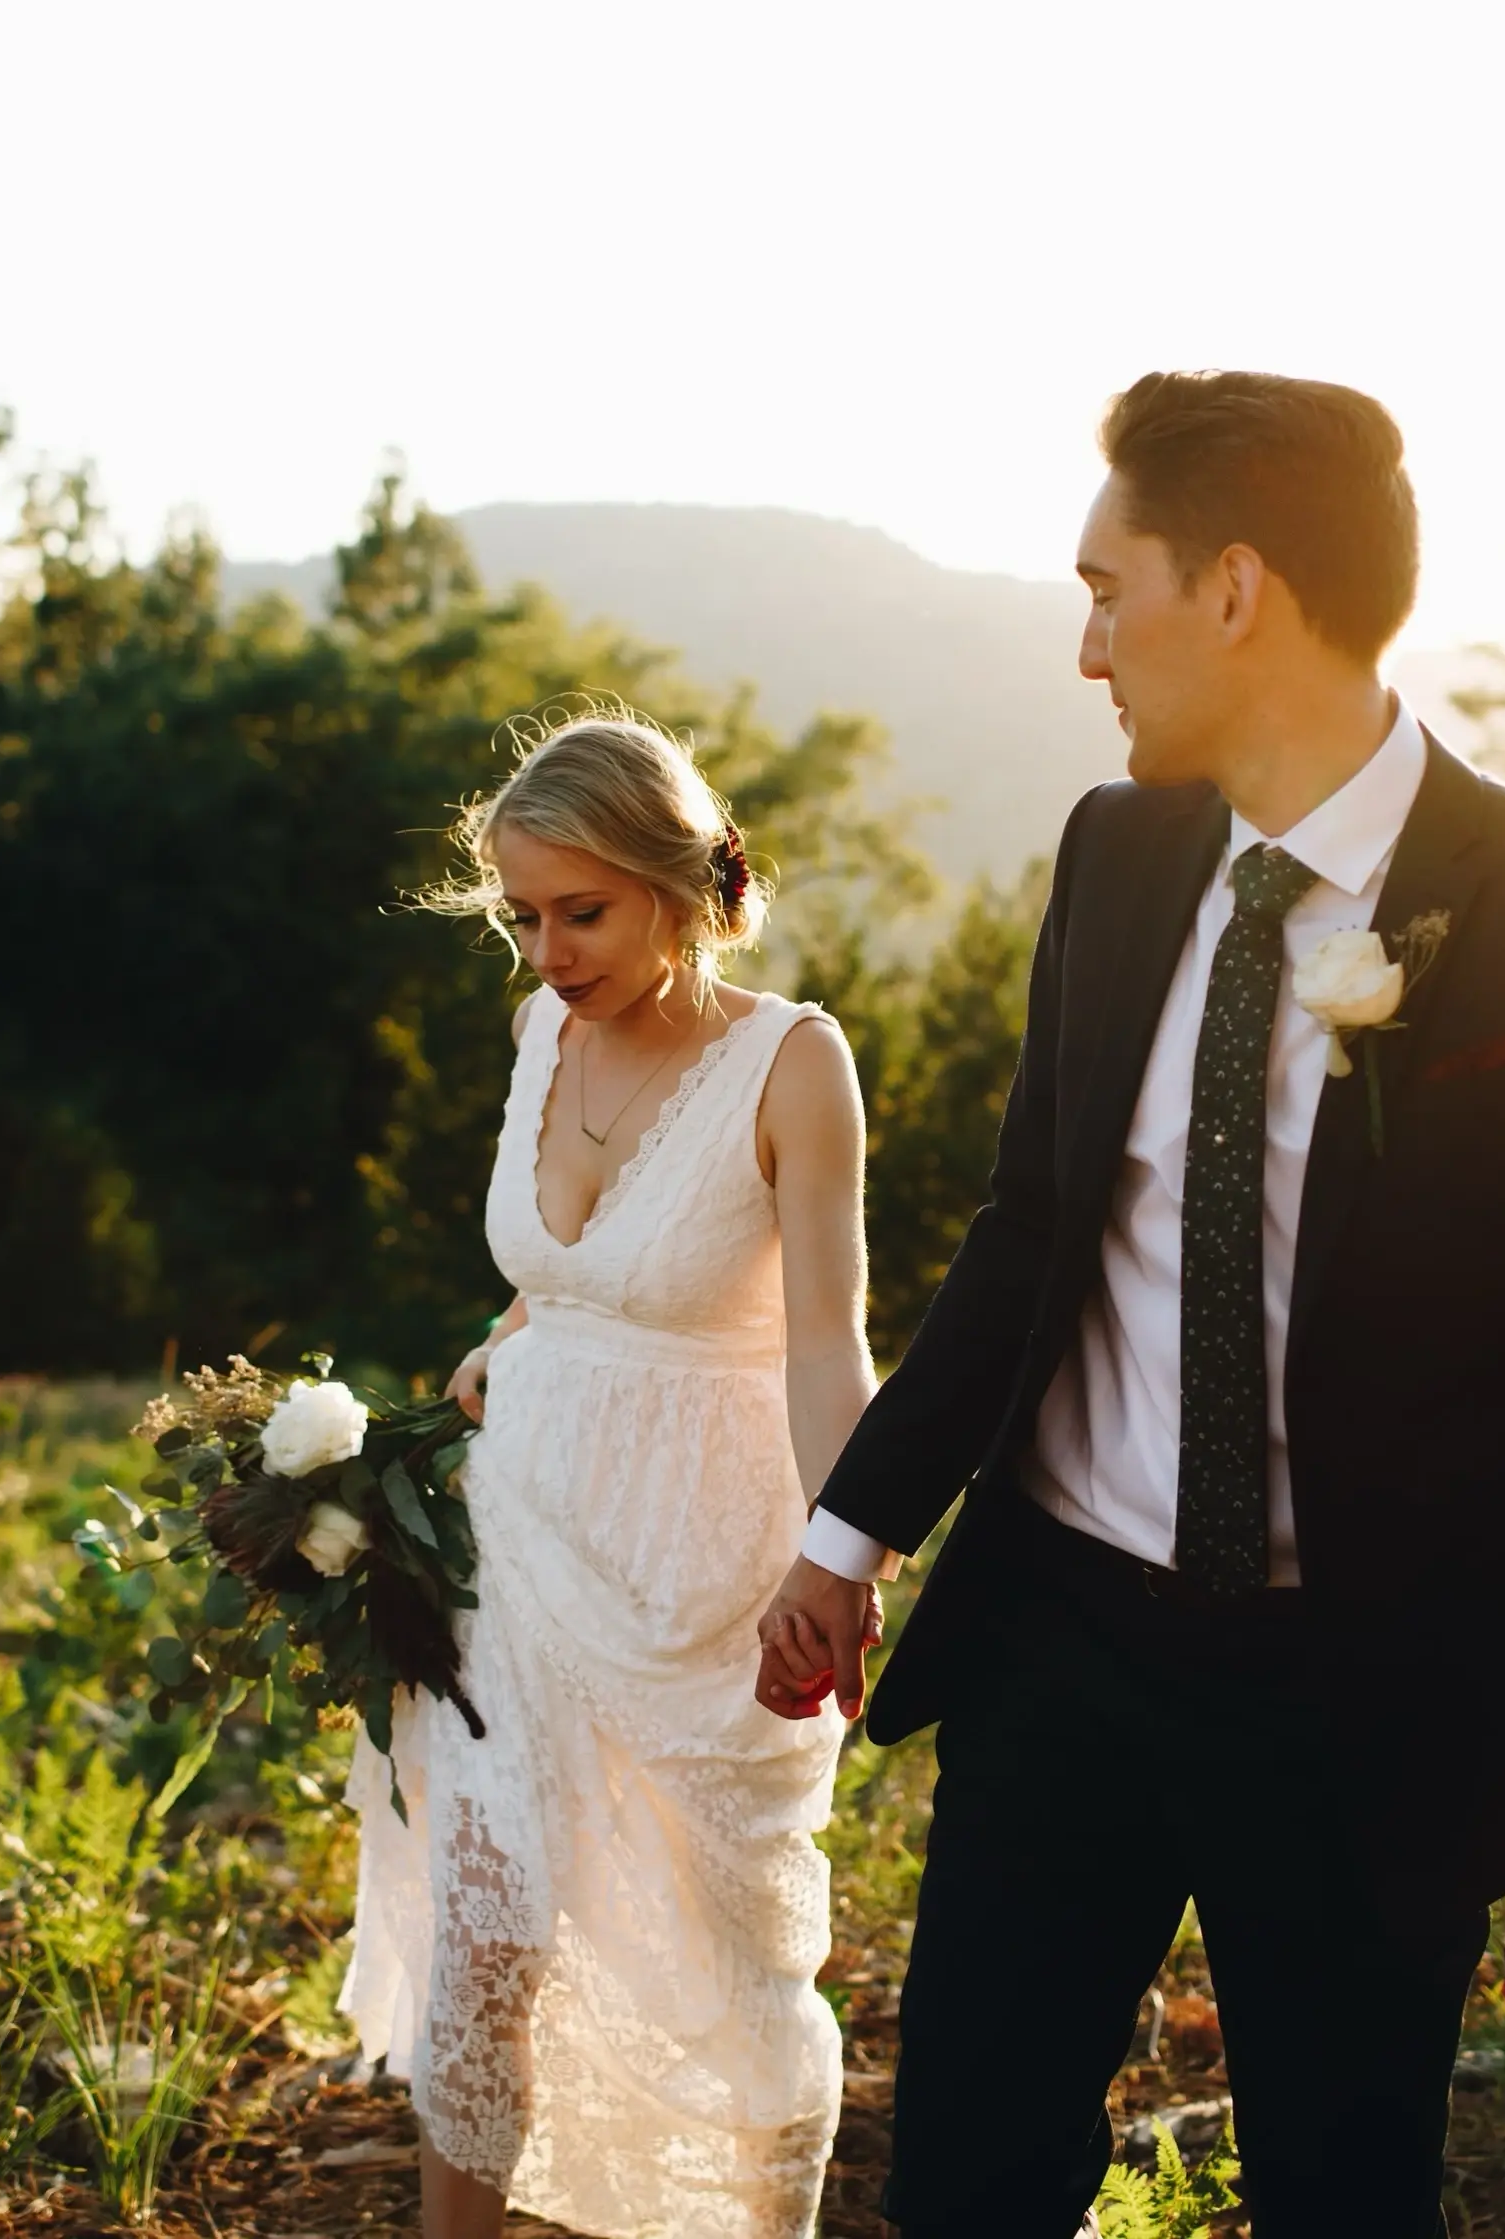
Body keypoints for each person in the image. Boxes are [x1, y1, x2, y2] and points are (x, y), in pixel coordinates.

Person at [754, 372, 1505, 2237]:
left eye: (1104, 589)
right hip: (1060, 1640)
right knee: (962, 2177)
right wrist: (850, 1529)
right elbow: (1027, 1229)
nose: (1083, 648)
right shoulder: (1115, 857)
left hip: (1366, 1692)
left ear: (1233, 589)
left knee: (1343, 2195)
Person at [342, 708, 883, 2239]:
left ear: (677, 877)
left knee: (734, 1965)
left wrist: (840, 1563)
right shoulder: (539, 1037)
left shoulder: (793, 1061)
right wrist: (496, 1343)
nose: (547, 951)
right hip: (515, 1539)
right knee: (490, 1939)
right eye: (523, 916)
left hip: (708, 1564)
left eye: (581, 910)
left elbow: (826, 1345)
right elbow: (562, 1279)